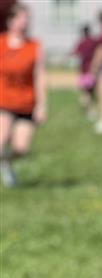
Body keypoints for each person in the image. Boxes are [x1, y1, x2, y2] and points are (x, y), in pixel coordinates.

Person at [0, 2, 46, 187]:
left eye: (28, 18)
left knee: (21, 148)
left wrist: (42, 105)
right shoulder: (1, 43)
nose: (25, 22)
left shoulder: (35, 46)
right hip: (3, 101)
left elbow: (40, 76)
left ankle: (7, 164)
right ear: (10, 21)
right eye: (21, 18)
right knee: (1, 141)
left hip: (27, 103)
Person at [73, 24, 97, 119]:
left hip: (83, 70)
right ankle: (90, 110)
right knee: (91, 92)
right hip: (92, 70)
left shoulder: (81, 42)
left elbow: (76, 53)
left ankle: (88, 109)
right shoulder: (94, 42)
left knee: (85, 92)